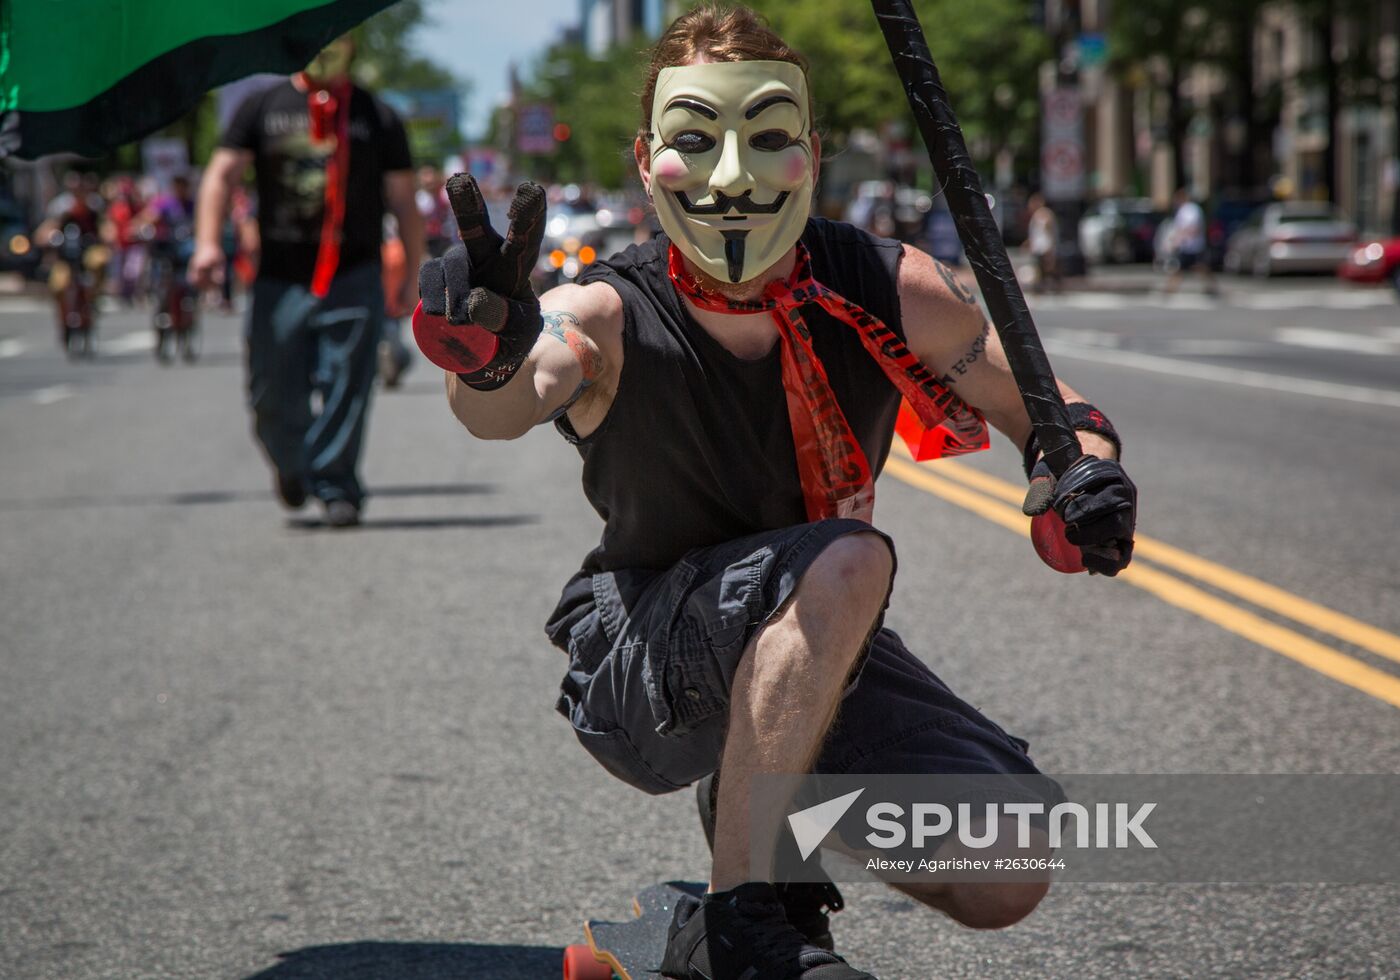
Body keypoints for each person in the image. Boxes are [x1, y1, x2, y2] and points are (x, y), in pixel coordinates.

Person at [413, 7, 1137, 979]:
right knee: (849, 556)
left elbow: (1046, 410)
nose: (730, 174)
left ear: (811, 149)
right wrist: (489, 355)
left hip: (810, 649)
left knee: (1007, 863)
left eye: (765, 137)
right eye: (695, 140)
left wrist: (1082, 468)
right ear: (644, 158)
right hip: (641, 667)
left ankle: (698, 912)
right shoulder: (606, 308)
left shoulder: (884, 284)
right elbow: (501, 404)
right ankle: (749, 918)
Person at [190, 34, 424, 527]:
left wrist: (413, 275)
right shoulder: (262, 106)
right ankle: (293, 464)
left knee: (347, 383)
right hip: (281, 277)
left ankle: (337, 483)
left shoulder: (376, 115)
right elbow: (221, 175)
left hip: (354, 273)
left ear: (354, 44)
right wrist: (208, 243)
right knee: (270, 390)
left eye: (335, 34)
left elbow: (404, 200)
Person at [1163, 187, 1217, 295]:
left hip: (1193, 246)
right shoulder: (1184, 210)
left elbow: (1193, 227)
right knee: (1183, 268)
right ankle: (1170, 289)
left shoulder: (1191, 209)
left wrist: (1179, 238)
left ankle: (1211, 287)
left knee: (1199, 267)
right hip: (1187, 246)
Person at [1026, 192, 1061, 293]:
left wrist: (1050, 247)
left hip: (1044, 247)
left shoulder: (1045, 214)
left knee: (1047, 268)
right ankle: (1043, 287)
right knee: (1041, 268)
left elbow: (1049, 232)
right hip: (1039, 247)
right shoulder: (1036, 215)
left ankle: (1052, 286)